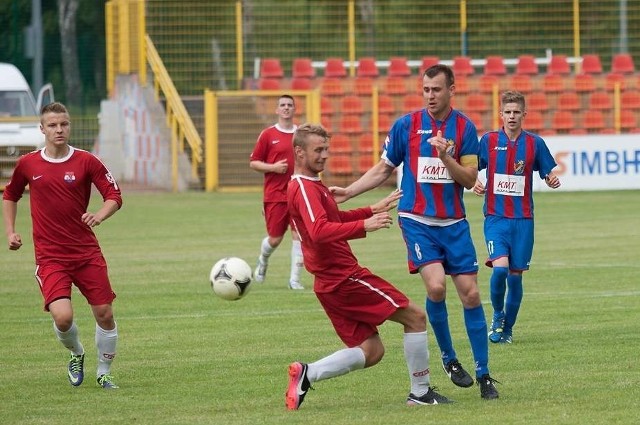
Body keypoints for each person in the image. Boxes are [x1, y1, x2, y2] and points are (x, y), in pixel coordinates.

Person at [331, 64, 499, 399]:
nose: (430, 96)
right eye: (426, 89)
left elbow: (469, 180)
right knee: (436, 287)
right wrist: (349, 192)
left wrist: (445, 156)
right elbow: (384, 168)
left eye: (436, 89)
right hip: (417, 221)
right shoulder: (407, 125)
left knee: (471, 295)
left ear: (452, 89)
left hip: (454, 223)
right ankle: (449, 359)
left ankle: (484, 374)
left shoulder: (465, 127)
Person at [285, 123, 452, 410]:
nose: (325, 155)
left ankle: (307, 373)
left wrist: (370, 210)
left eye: (326, 149)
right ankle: (421, 393)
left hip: (329, 284)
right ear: (299, 152)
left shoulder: (312, 185)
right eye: (318, 150)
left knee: (372, 351)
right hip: (343, 276)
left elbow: (332, 218)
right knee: (415, 318)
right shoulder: (303, 188)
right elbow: (318, 231)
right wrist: (365, 225)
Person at [2, 102, 122, 389]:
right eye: (53, 125)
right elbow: (10, 195)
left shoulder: (86, 161)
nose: (59, 129)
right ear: (42, 129)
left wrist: (100, 215)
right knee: (64, 318)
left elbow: (114, 195)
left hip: (86, 253)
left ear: (70, 126)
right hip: (51, 257)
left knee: (105, 313)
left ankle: (104, 372)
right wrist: (10, 232)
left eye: (64, 124)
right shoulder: (28, 163)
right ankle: (76, 353)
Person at [473, 90, 561, 344]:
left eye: (516, 112)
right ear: (500, 114)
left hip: (523, 220)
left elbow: (547, 172)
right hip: (495, 218)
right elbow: (470, 168)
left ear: (524, 114)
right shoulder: (488, 141)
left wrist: (550, 179)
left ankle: (508, 330)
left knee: (516, 275)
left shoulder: (534, 143)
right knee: (499, 270)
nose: (512, 116)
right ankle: (498, 315)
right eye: (507, 112)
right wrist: (474, 181)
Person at [249, 94, 305, 290]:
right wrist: (273, 168)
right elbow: (254, 162)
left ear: (295, 109)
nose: (286, 108)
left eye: (290, 105)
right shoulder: (267, 135)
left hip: (298, 193)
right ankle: (263, 261)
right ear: (277, 110)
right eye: (283, 105)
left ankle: (295, 281)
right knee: (275, 238)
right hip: (274, 195)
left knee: (299, 235)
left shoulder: (302, 134)